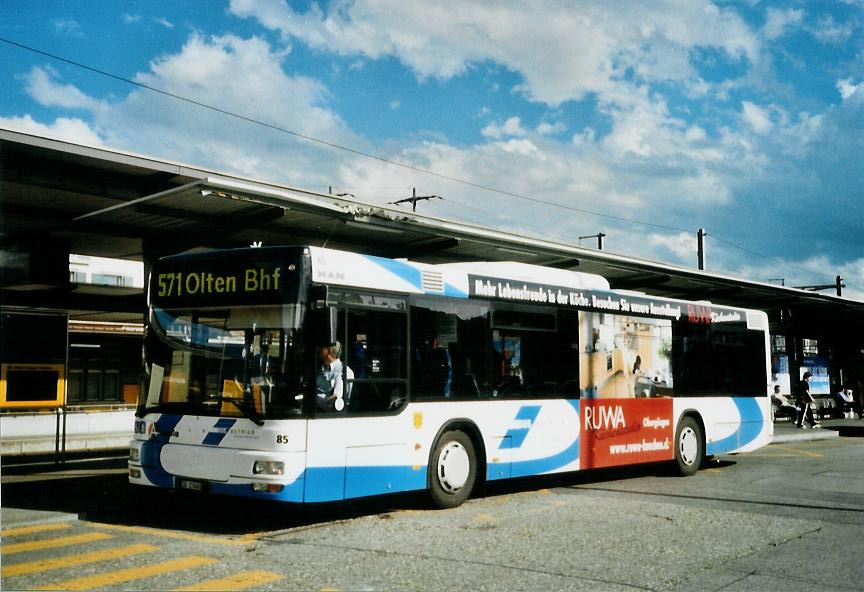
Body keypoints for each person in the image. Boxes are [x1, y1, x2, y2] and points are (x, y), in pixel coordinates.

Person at [316, 341, 353, 411]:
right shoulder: (320, 368)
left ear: (328, 351)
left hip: (328, 416)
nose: (319, 349)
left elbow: (337, 399)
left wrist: (314, 399)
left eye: (322, 348)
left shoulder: (345, 371)